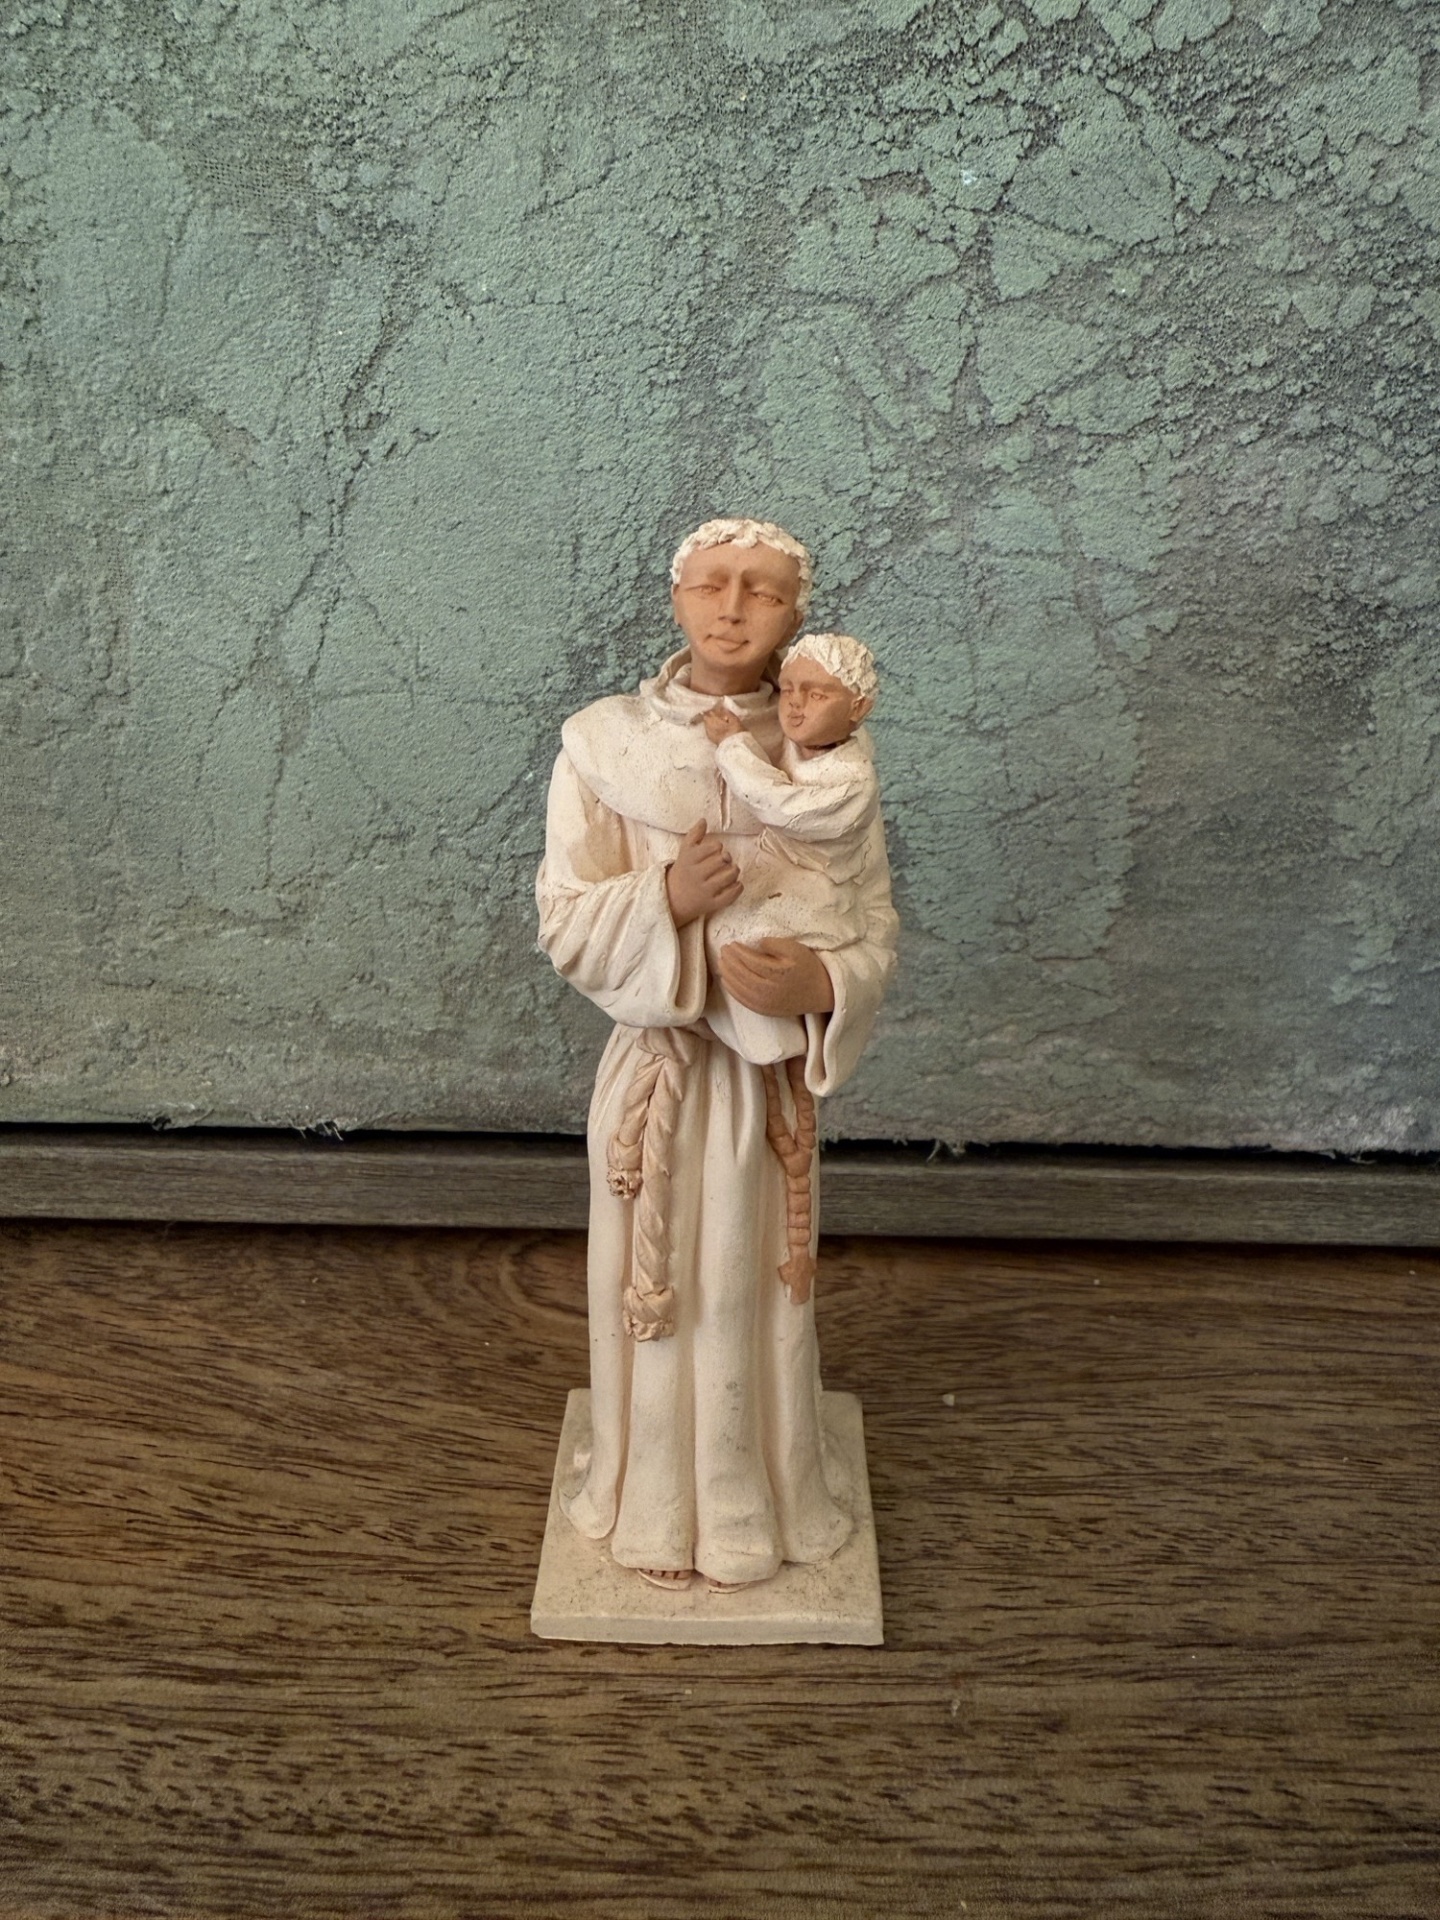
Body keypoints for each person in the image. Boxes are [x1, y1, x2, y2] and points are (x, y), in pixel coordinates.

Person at [535, 517, 897, 1593]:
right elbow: (565, 918)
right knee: (659, 1301)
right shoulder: (605, 743)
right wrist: (667, 900)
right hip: (659, 1073)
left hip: (762, 1084)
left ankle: (761, 1494)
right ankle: (648, 1496)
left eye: (763, 592)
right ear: (676, 598)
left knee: (748, 1291)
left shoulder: (826, 758)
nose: (733, 609)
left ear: (798, 617)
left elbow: (873, 923)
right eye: (711, 585)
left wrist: (820, 986)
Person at [700, 632, 881, 1067]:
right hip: (780, 876)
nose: (796, 705)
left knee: (745, 946)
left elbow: (780, 805)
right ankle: (736, 1046)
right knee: (724, 936)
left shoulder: (853, 783)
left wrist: (734, 745)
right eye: (789, 690)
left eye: (816, 694)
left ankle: (774, 1056)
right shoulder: (808, 744)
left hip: (817, 896)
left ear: (858, 708)